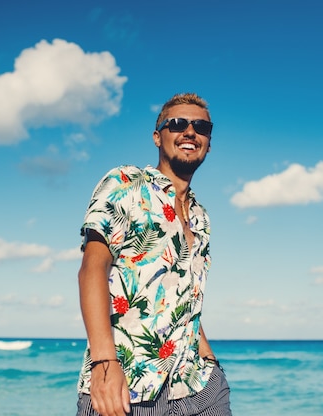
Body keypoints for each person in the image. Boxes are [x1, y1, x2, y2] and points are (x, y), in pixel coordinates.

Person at [76, 93, 231, 416]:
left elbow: (185, 294)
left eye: (201, 127)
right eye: (177, 124)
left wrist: (209, 359)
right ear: (158, 137)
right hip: (127, 389)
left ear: (209, 143)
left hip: (200, 388)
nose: (190, 132)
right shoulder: (126, 184)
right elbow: (93, 268)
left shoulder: (201, 216)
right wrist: (104, 363)